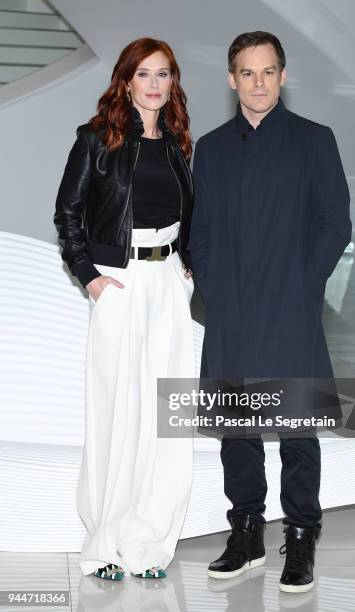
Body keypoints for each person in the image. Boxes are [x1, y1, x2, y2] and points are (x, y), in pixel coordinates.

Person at [190, 31, 352, 593]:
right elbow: (200, 230)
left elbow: (335, 224)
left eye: (268, 72)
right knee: (238, 429)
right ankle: (247, 533)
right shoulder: (210, 148)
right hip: (231, 307)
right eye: (247, 73)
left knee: (297, 430)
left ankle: (302, 536)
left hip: (292, 305)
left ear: (283, 77)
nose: (258, 83)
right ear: (232, 79)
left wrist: (304, 285)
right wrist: (215, 287)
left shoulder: (315, 140)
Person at [54, 37, 195, 581]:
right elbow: (67, 213)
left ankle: (150, 543)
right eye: (145, 74)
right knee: (117, 414)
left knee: (165, 415)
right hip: (118, 280)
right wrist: (90, 279)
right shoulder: (96, 140)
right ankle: (105, 543)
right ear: (126, 80)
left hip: (166, 284)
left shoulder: (181, 145)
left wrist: (186, 266)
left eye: (164, 74)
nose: (155, 84)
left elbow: (190, 217)